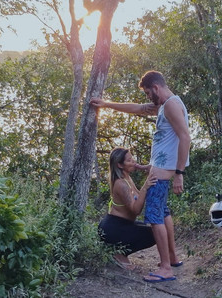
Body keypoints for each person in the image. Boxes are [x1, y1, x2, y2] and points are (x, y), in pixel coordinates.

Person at [91, 70, 190, 283]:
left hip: (161, 176)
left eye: (147, 93)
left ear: (155, 87)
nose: (147, 98)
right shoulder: (166, 105)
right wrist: (107, 104)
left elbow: (185, 137)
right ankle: (171, 258)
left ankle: (165, 268)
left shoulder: (171, 105)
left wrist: (179, 173)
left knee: (155, 218)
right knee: (162, 213)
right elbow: (138, 109)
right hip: (159, 172)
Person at [98, 147, 157, 270]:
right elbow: (136, 210)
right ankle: (118, 253)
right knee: (153, 234)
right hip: (113, 228)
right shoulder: (121, 183)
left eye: (133, 158)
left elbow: (138, 196)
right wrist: (145, 187)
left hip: (124, 224)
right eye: (129, 160)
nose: (134, 162)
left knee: (155, 229)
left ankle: (120, 251)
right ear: (120, 165)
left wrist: (147, 168)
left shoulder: (127, 178)